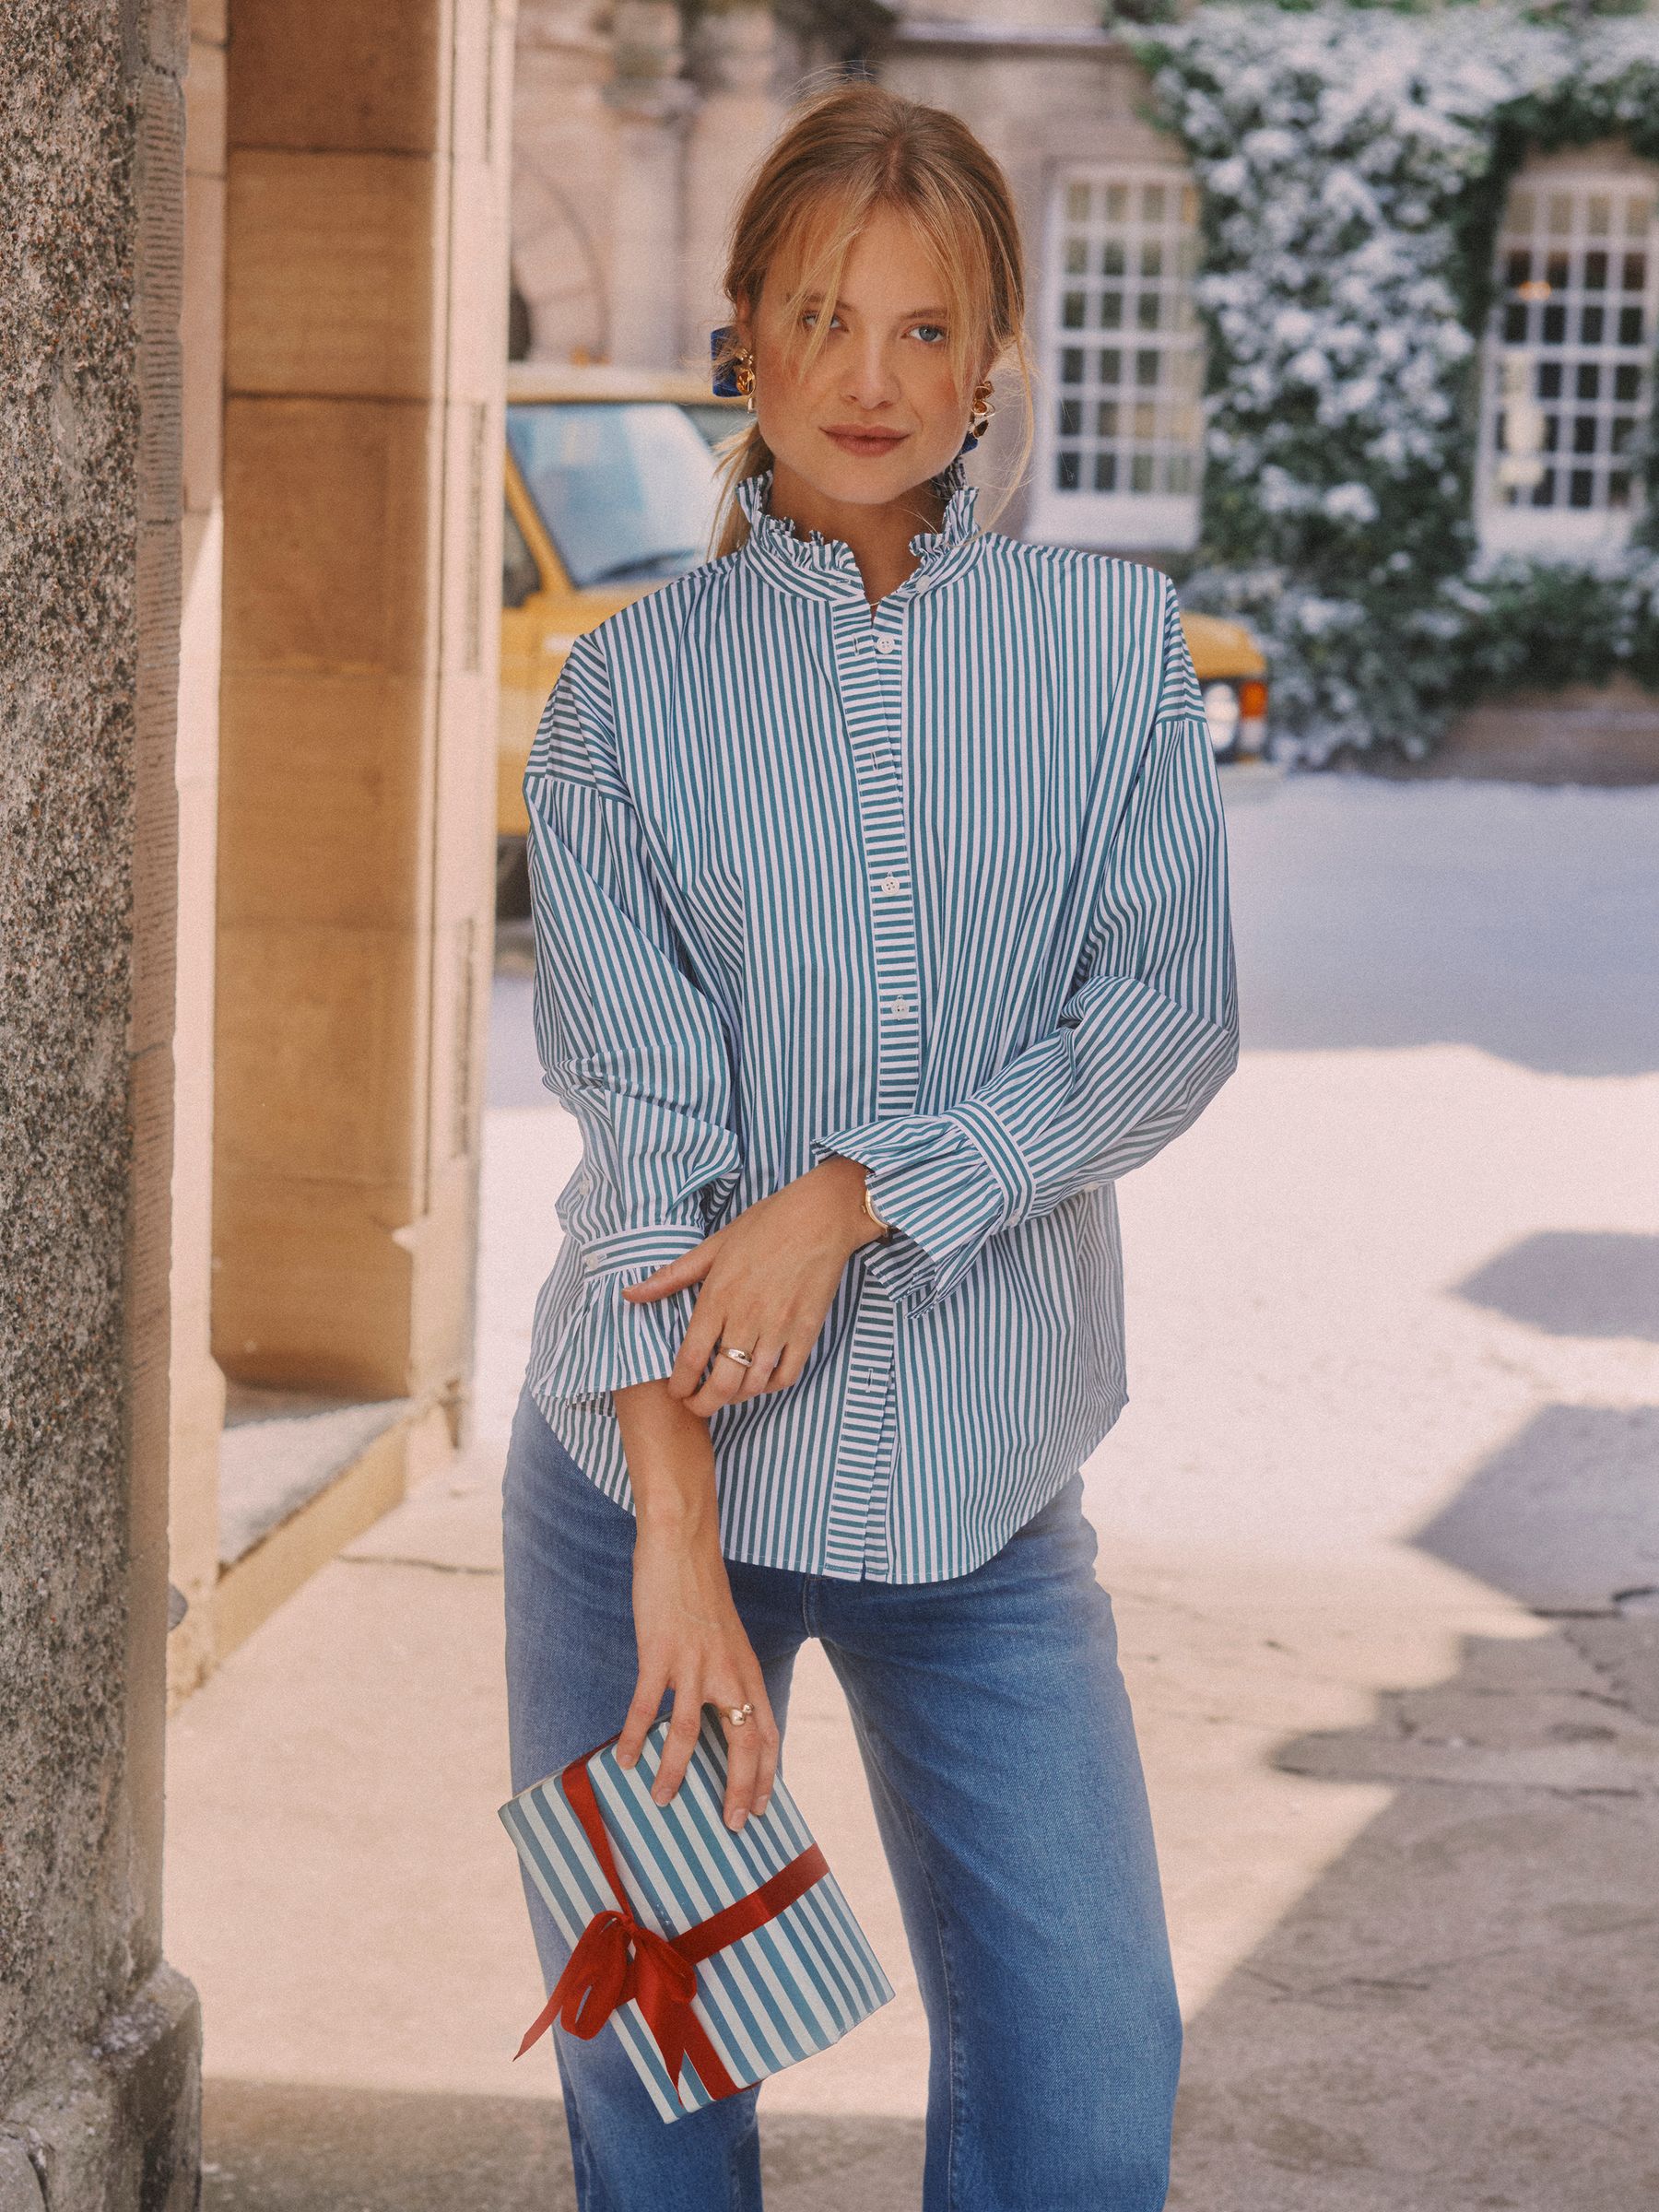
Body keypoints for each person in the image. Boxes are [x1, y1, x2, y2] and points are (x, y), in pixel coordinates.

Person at [501, 77, 1239, 2212]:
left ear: (998, 351)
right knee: (663, 2064)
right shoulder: (627, 701)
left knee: (1088, 2079)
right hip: (650, 1480)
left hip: (985, 1485)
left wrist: (858, 1196)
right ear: (741, 328)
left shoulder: (1112, 658)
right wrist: (671, 1535)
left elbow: (1164, 1027)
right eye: (823, 315)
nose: (870, 377)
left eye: (927, 328)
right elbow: (642, 1136)